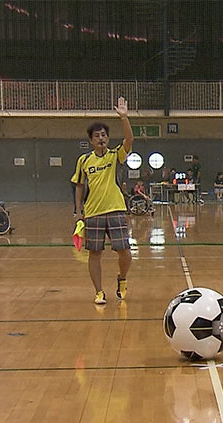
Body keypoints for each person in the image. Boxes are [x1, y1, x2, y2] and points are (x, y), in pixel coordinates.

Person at [72, 96, 134, 305]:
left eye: (104, 135)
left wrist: (124, 118)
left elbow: (129, 141)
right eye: (97, 135)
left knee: (125, 251)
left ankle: (122, 278)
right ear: (91, 140)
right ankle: (99, 292)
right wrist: (78, 212)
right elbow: (79, 186)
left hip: (116, 209)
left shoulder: (116, 155)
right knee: (95, 254)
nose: (101, 138)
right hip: (93, 213)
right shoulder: (84, 160)